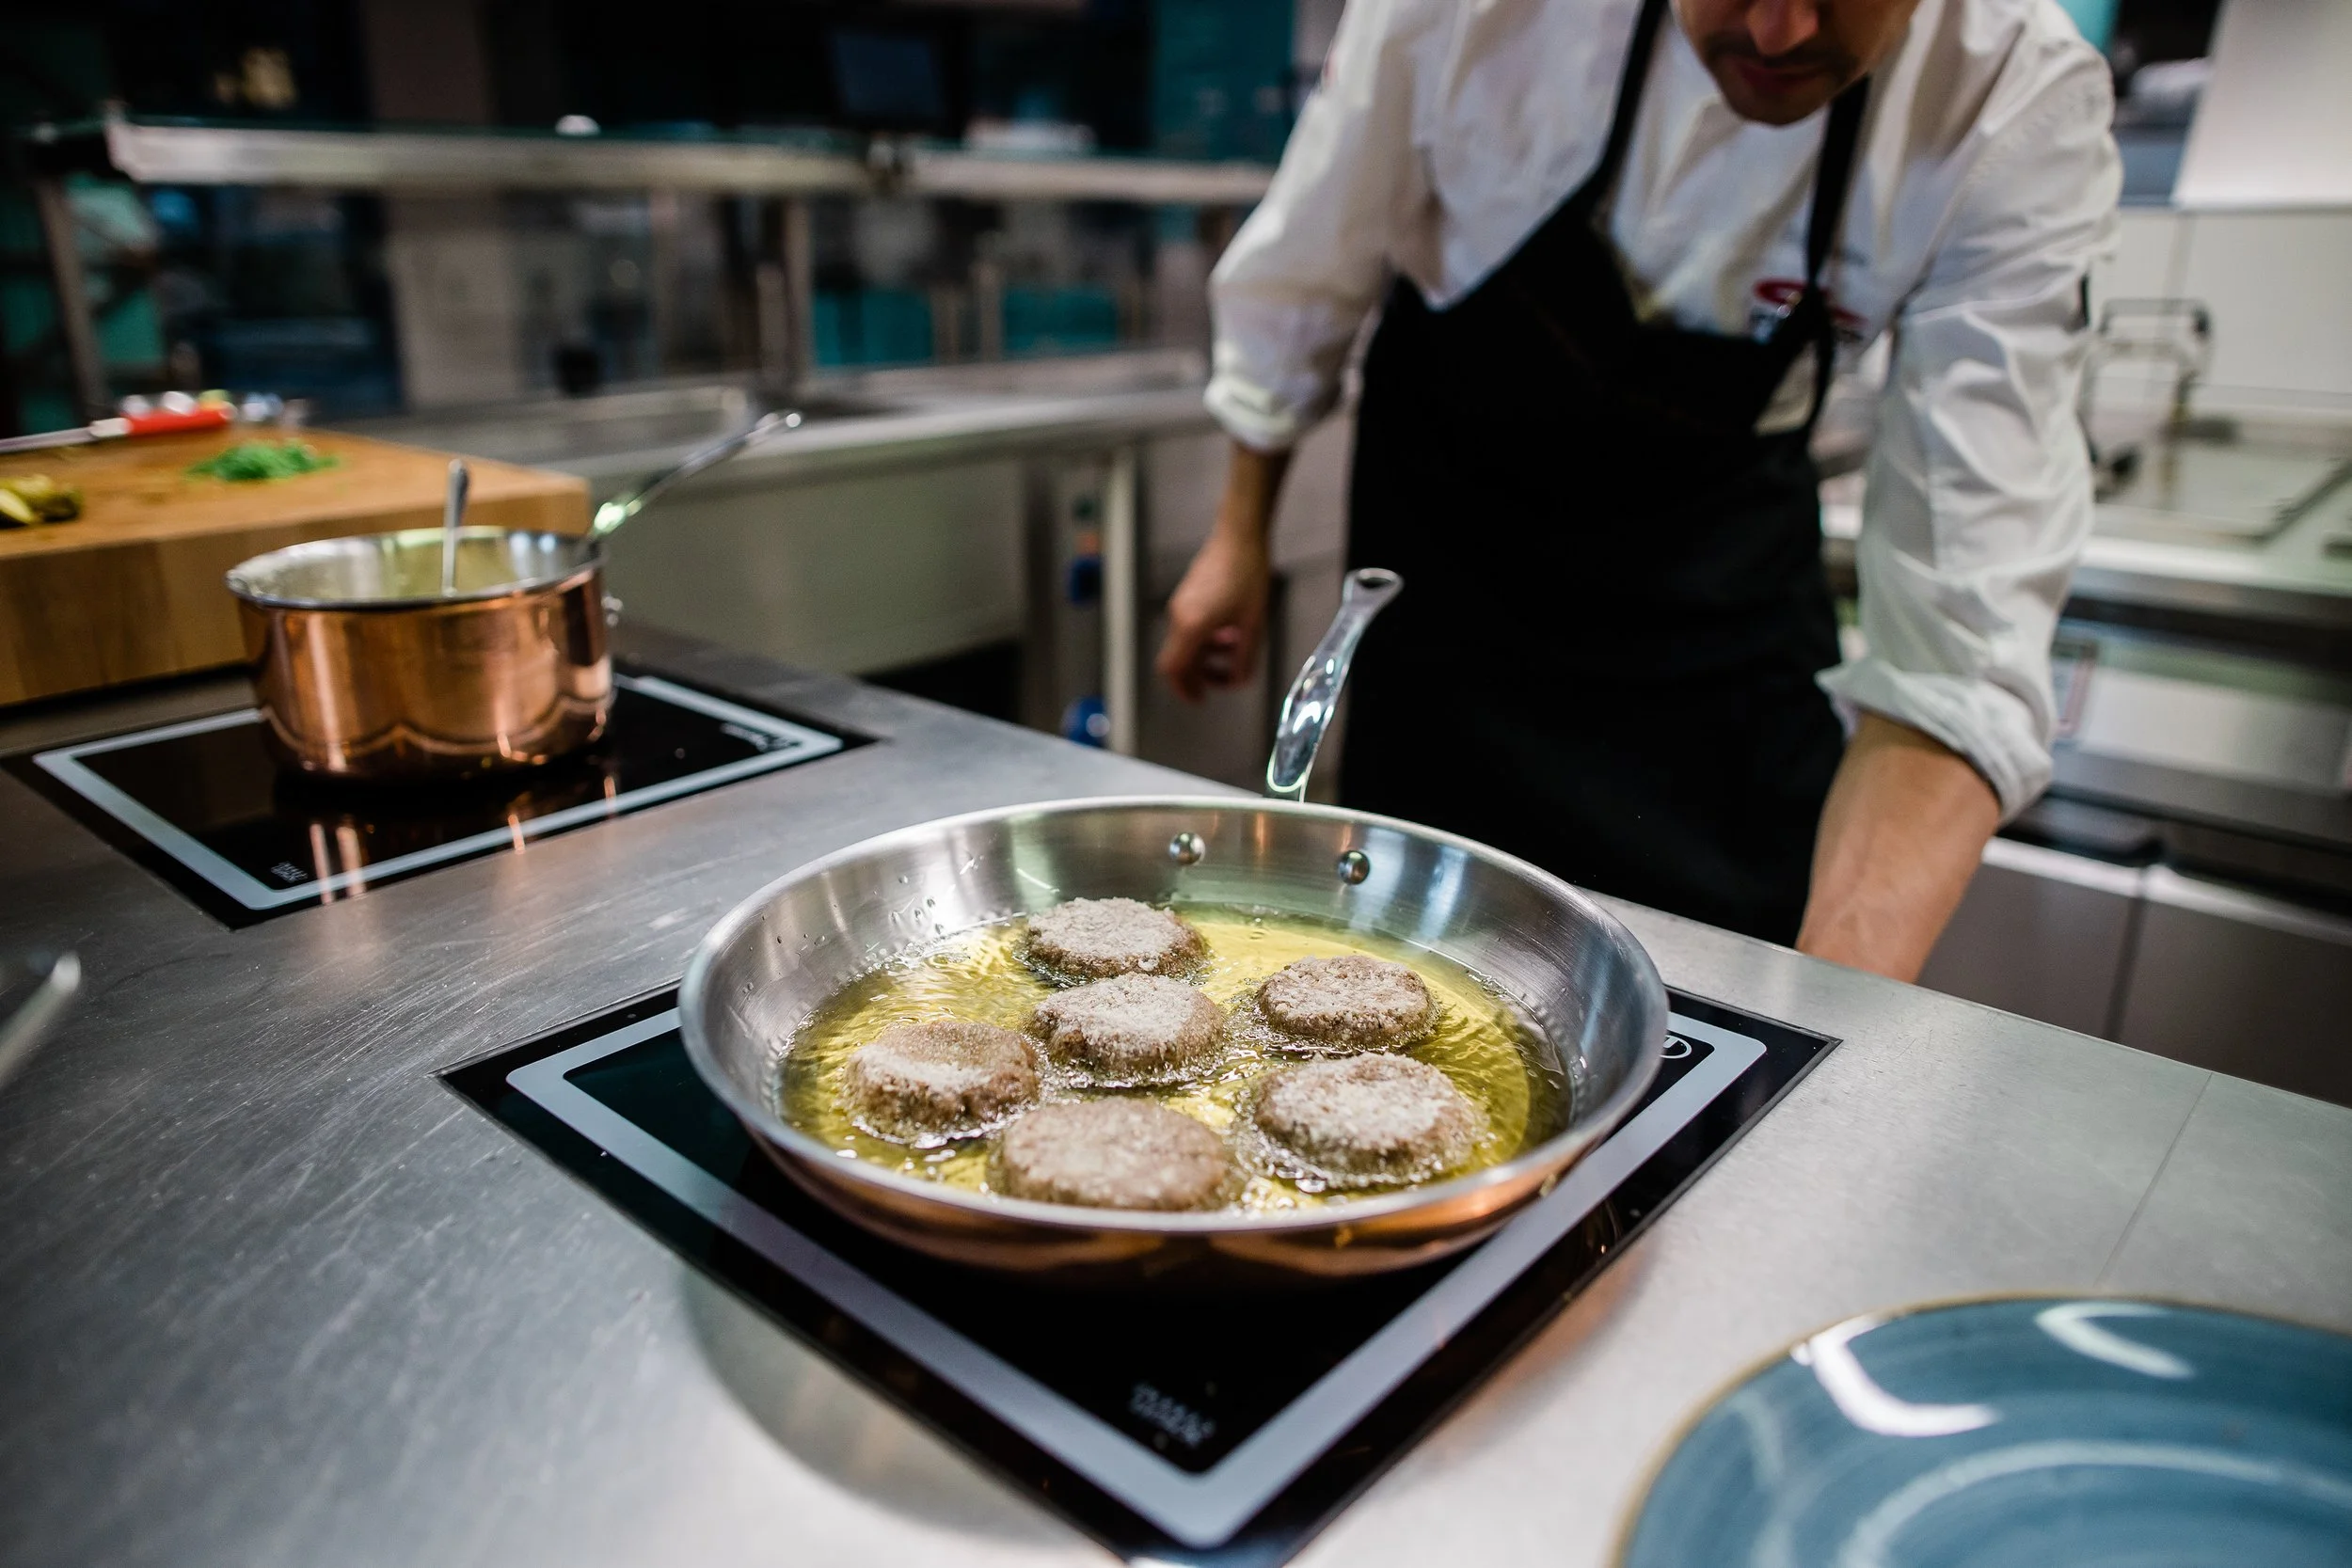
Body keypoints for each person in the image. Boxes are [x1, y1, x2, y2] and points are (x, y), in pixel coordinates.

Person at [1156, 0, 2120, 980]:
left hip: (1716, 637)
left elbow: (1959, 644)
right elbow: (1311, 263)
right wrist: (1239, 535)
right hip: (1459, 602)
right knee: (1410, 974)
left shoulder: (2012, 100)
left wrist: (1825, 1028)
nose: (1779, 29)